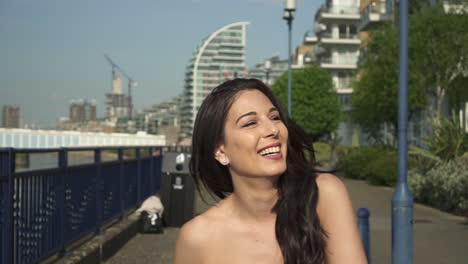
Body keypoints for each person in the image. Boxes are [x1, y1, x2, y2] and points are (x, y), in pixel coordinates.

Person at [173, 78, 367, 264]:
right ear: (221, 151)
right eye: (250, 123)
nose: (272, 129)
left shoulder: (322, 194)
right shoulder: (196, 238)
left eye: (275, 117)